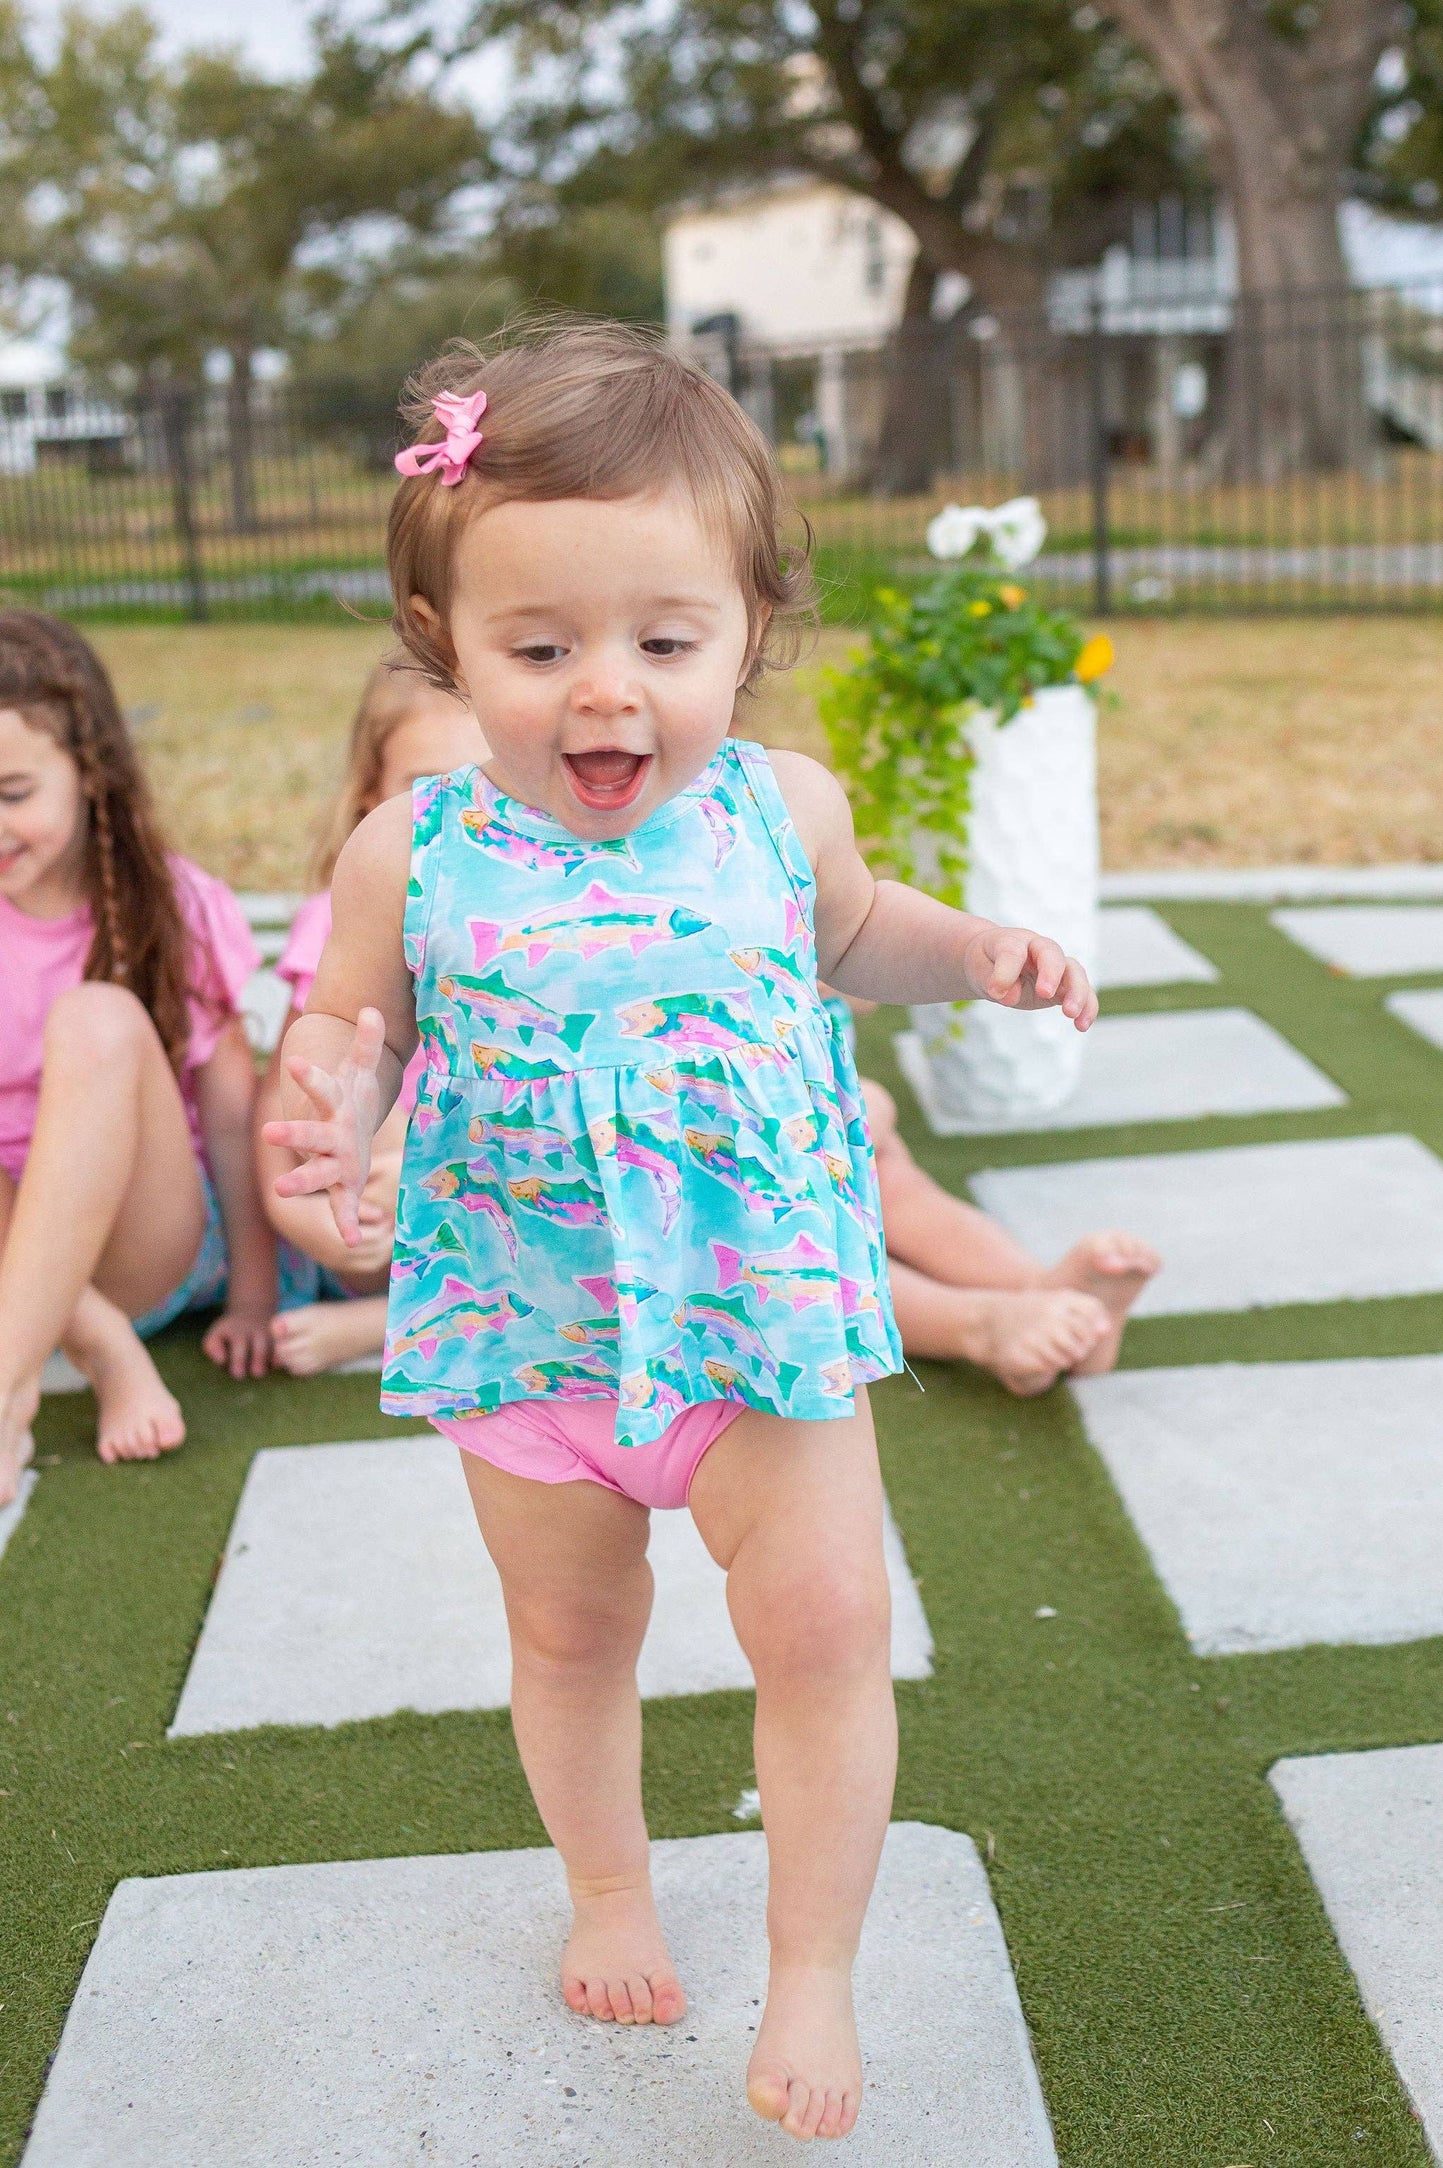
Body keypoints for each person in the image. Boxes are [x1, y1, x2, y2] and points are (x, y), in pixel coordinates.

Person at [264, 322, 1098, 2145]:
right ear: (443, 640)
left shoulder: (782, 810)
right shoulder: (411, 850)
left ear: (748, 627)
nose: (606, 697)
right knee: (570, 1636)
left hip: (759, 1327)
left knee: (827, 1630)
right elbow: (352, 1022)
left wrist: (975, 951)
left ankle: (811, 1963)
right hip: (529, 1333)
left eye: (664, 642)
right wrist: (325, 1101)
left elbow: (856, 930)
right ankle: (610, 1886)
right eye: (539, 648)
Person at [0, 613, 277, 1506]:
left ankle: (6, 1393)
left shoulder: (171, 903)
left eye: (12, 792)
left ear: (91, 772)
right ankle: (102, 1350)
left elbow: (230, 1113)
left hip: (142, 1247)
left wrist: (255, 1292)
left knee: (100, 1017)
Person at [255, 663, 484, 1376]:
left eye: (488, 786)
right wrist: (308, 1220)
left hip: (494, 1216)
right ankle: (396, 1304)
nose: (458, 820)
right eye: (426, 791)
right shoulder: (337, 922)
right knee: (349, 1079)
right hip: (368, 1217)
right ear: (370, 801)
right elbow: (280, 1103)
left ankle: (383, 1325)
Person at [824, 996, 1159, 1393]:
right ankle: (981, 1324)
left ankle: (1045, 1293)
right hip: (765, 1162)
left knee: (900, 1190)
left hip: (832, 1109)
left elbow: (860, 992)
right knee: (818, 1253)